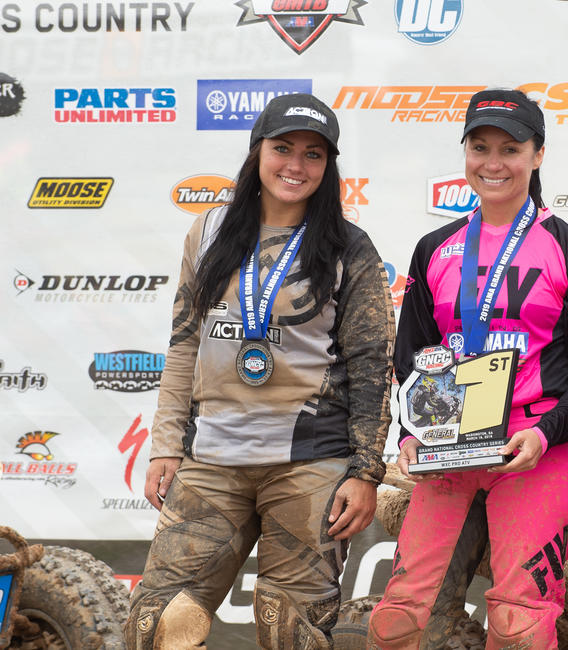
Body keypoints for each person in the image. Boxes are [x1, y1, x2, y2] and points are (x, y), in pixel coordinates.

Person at [124, 93, 395, 649]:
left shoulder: (348, 246)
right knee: (156, 625)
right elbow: (184, 343)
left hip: (310, 462)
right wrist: (165, 445)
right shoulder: (208, 231)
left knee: (290, 632)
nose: (296, 165)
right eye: (283, 148)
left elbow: (372, 365)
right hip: (211, 459)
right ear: (257, 152)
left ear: (329, 166)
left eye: (314, 154)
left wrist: (365, 471)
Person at [367, 89, 568, 649]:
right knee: (396, 620)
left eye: (510, 148)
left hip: (535, 446)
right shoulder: (436, 247)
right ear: (466, 154)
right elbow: (413, 356)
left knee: (518, 624)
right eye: (480, 147)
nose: (493, 162)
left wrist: (546, 433)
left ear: (538, 155)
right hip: (448, 444)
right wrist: (411, 433)